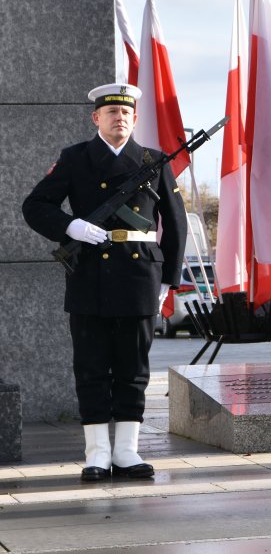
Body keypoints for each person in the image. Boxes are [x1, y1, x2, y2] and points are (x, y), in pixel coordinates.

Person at [22, 84, 187, 480]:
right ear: (96, 118)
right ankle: (96, 453)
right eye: (111, 112)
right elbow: (35, 205)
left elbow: (176, 222)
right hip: (90, 274)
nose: (119, 118)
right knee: (91, 366)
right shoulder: (75, 158)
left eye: (126, 113)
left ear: (135, 118)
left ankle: (127, 451)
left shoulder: (153, 160)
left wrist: (168, 280)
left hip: (139, 275)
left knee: (133, 366)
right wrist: (71, 227)